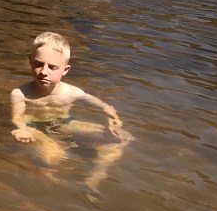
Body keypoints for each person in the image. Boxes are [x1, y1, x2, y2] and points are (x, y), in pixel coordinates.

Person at [10, 31, 130, 189]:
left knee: (124, 137)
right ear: (30, 61)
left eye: (53, 67)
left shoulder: (73, 92)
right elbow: (17, 118)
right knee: (55, 154)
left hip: (65, 122)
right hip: (34, 126)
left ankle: (96, 174)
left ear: (65, 70)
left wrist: (114, 121)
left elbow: (105, 107)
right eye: (38, 64)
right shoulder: (20, 94)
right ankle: (51, 182)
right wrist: (21, 130)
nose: (44, 72)